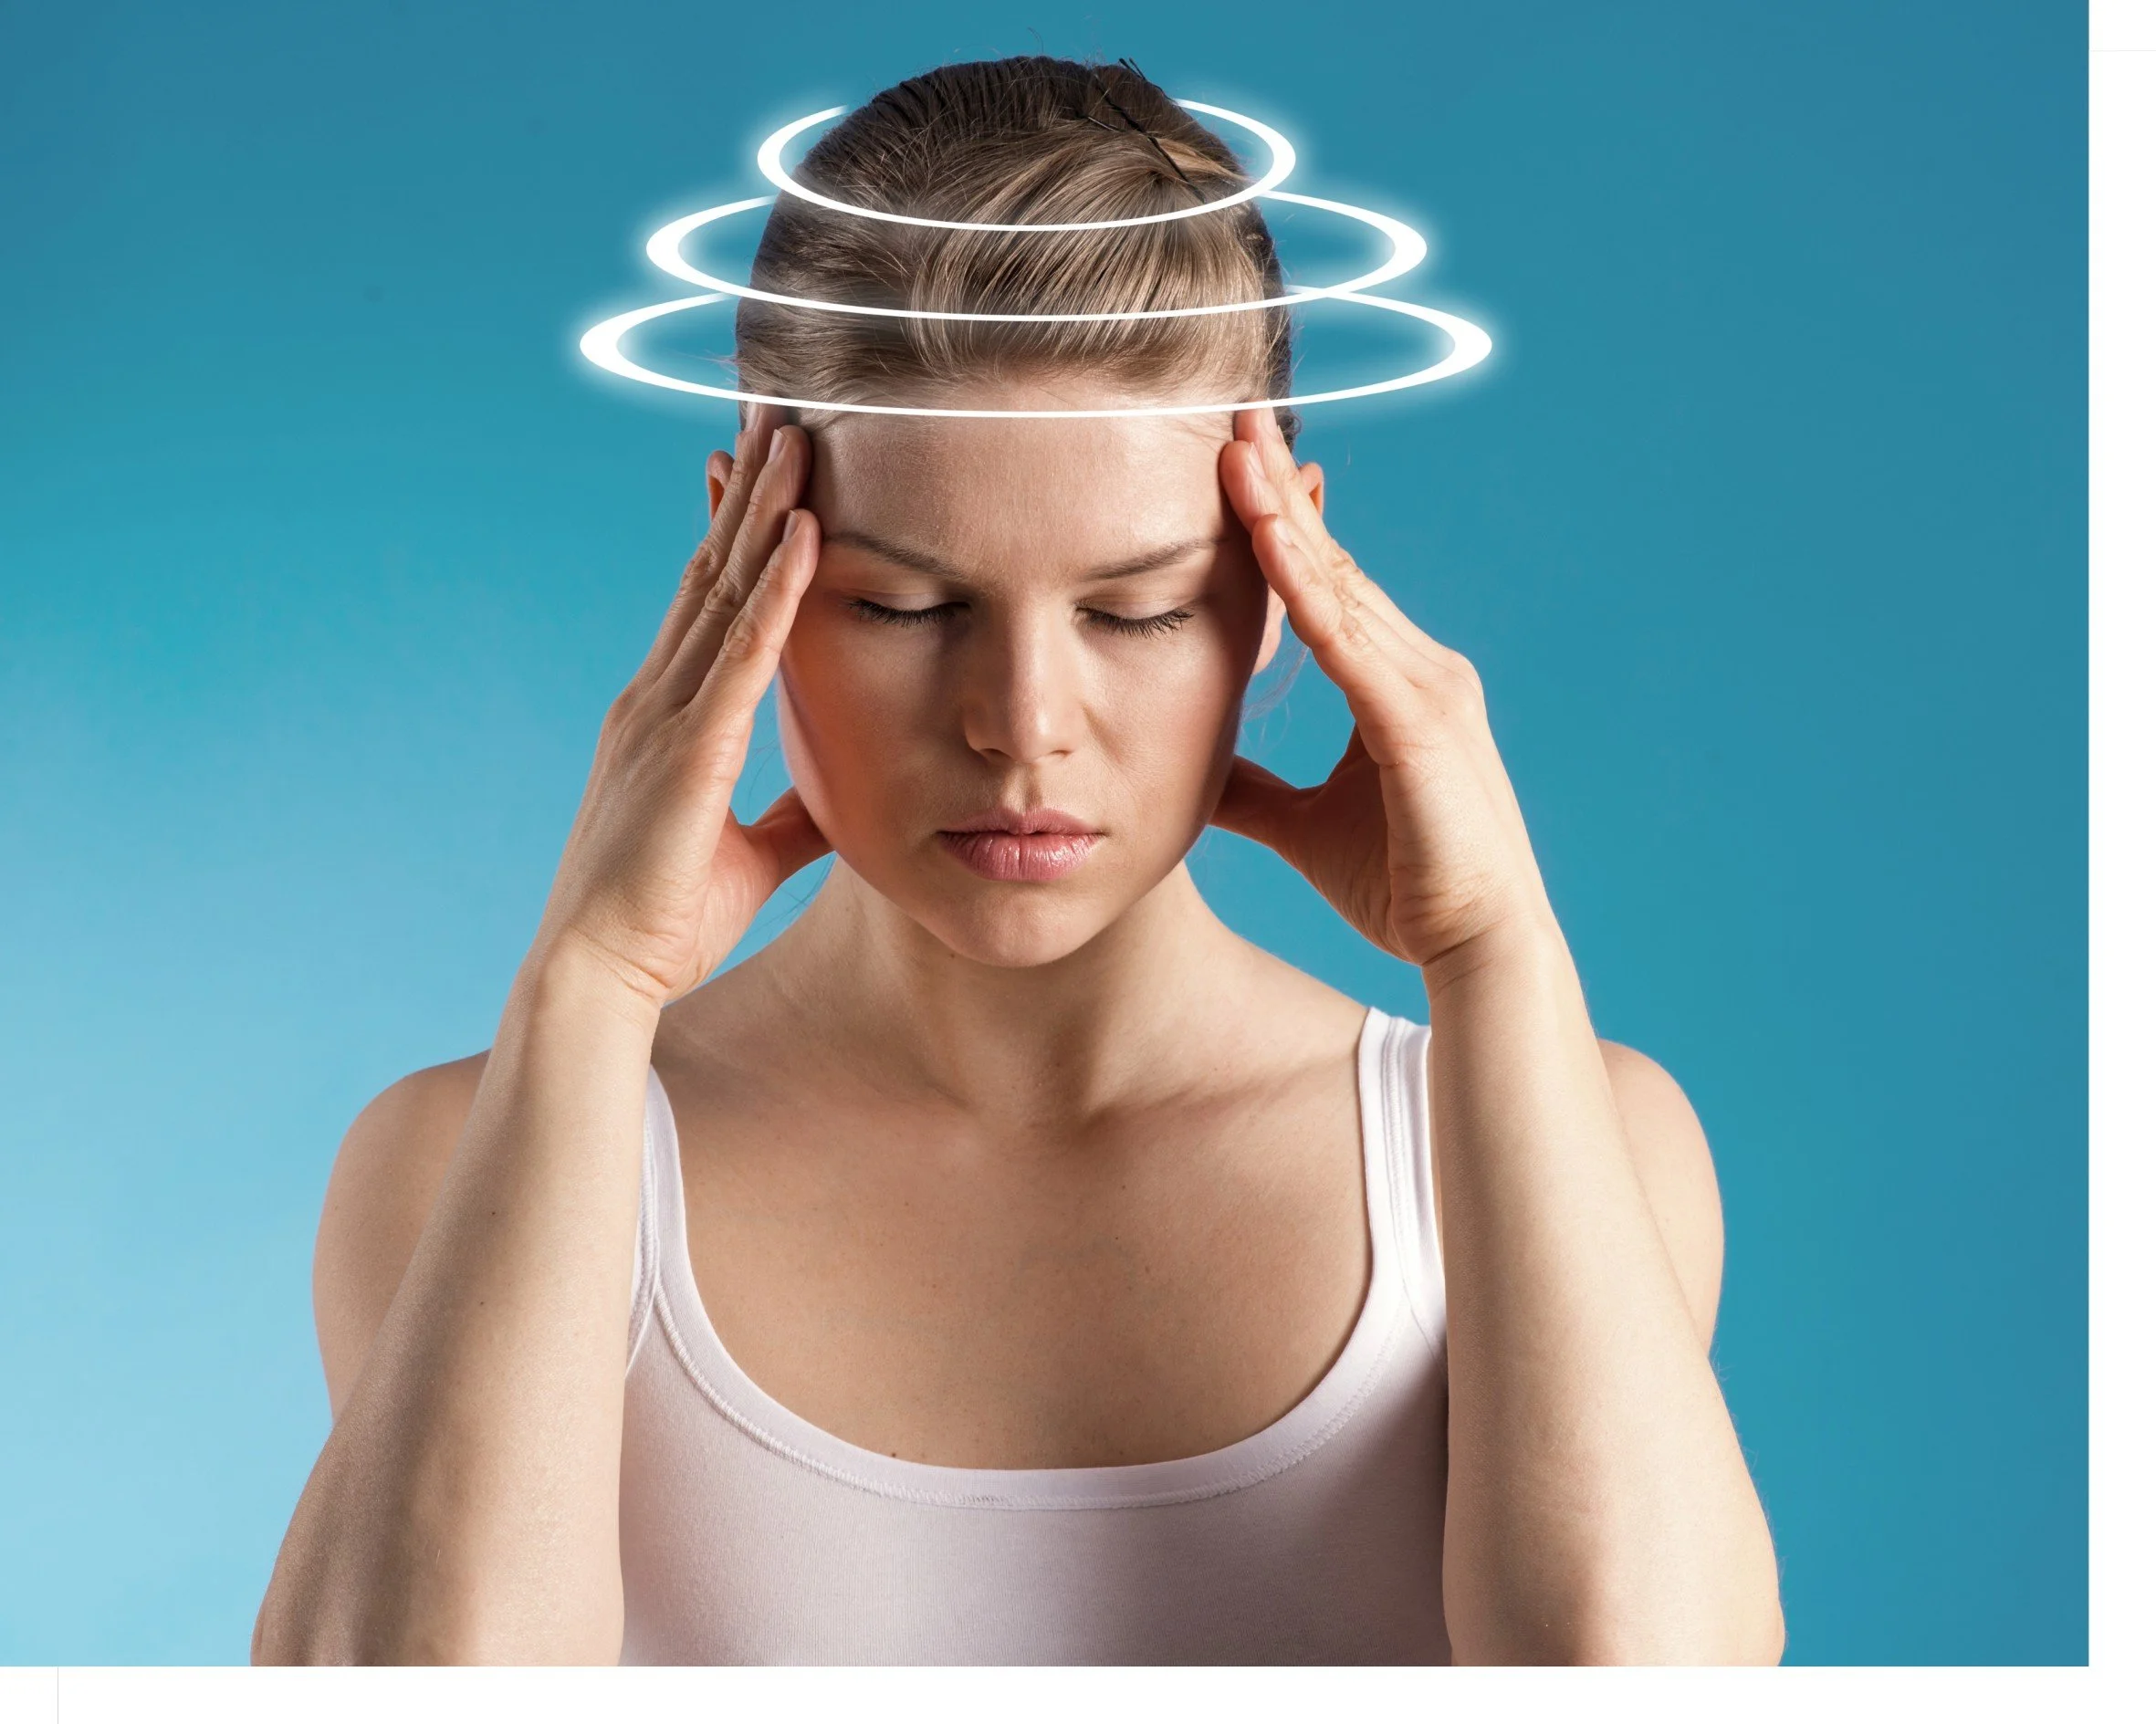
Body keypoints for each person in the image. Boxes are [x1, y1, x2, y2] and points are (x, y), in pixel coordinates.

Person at [252, 56, 1784, 1665]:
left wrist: (1494, 955)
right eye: (905, 608)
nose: (1021, 725)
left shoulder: (1570, 1134)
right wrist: (588, 987)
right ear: (734, 564)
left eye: (1138, 609)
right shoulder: (462, 1163)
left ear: (1283, 581)